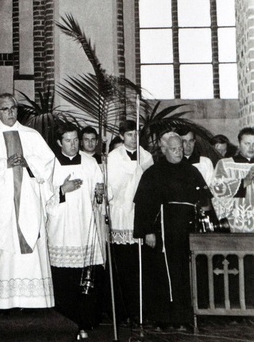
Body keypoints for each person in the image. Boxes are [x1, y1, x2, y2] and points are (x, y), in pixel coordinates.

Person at [0, 93, 55, 311]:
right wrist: (4, 164)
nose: (10, 112)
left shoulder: (32, 135)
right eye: (5, 109)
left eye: (13, 108)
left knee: (30, 249)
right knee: (2, 252)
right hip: (1, 206)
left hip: (28, 204)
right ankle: (0, 300)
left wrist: (29, 163)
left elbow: (48, 163)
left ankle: (30, 301)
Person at [133, 132, 213, 331]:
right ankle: (163, 319)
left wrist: (205, 205)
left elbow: (204, 196)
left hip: (187, 232)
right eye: (175, 149)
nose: (180, 152)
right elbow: (143, 205)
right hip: (162, 234)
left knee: (185, 274)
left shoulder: (191, 171)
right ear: (164, 150)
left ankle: (184, 317)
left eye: (181, 148)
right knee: (162, 275)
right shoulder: (153, 173)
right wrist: (147, 231)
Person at [46, 123, 106, 340]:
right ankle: (64, 326)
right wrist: (62, 190)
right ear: (59, 142)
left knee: (85, 281)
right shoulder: (50, 164)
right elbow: (42, 198)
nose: (73, 145)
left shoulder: (90, 163)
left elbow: (100, 198)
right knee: (64, 281)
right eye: (68, 141)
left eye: (75, 140)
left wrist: (100, 194)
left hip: (84, 229)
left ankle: (84, 324)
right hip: (61, 230)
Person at [106, 119, 153, 324]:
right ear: (122, 136)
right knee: (124, 267)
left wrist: (139, 171)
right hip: (121, 214)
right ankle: (124, 311)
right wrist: (130, 172)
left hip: (139, 213)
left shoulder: (147, 156)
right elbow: (112, 185)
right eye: (129, 135)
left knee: (141, 266)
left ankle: (141, 310)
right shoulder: (114, 156)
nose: (134, 138)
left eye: (136, 134)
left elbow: (150, 184)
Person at [211, 127, 254, 232]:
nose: (251, 147)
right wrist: (243, 182)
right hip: (235, 220)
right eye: (247, 144)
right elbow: (216, 189)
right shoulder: (225, 164)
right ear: (239, 144)